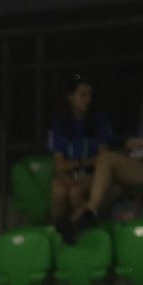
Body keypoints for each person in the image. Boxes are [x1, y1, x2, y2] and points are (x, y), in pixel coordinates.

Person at [47, 73, 113, 243]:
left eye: (90, 95)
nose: (88, 99)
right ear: (71, 97)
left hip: (94, 174)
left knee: (76, 192)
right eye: (83, 95)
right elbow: (59, 164)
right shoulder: (60, 123)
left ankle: (81, 231)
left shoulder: (100, 121)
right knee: (59, 190)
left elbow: (103, 159)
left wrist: (78, 164)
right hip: (71, 174)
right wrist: (65, 175)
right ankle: (58, 231)